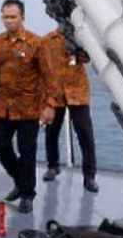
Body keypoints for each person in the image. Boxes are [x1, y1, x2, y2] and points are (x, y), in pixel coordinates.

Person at [0, 0, 58, 214]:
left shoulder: (37, 43)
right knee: (0, 145)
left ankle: (27, 194)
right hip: (3, 105)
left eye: (13, 17)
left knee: (27, 151)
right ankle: (20, 180)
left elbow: (50, 77)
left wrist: (49, 105)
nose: (8, 21)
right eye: (5, 17)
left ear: (22, 17)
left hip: (28, 107)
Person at [42, 27, 99, 192]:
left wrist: (78, 47)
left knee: (85, 136)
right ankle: (53, 166)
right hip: (55, 94)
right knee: (51, 133)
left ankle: (89, 177)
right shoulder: (47, 40)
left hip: (77, 94)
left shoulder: (81, 38)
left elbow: (87, 58)